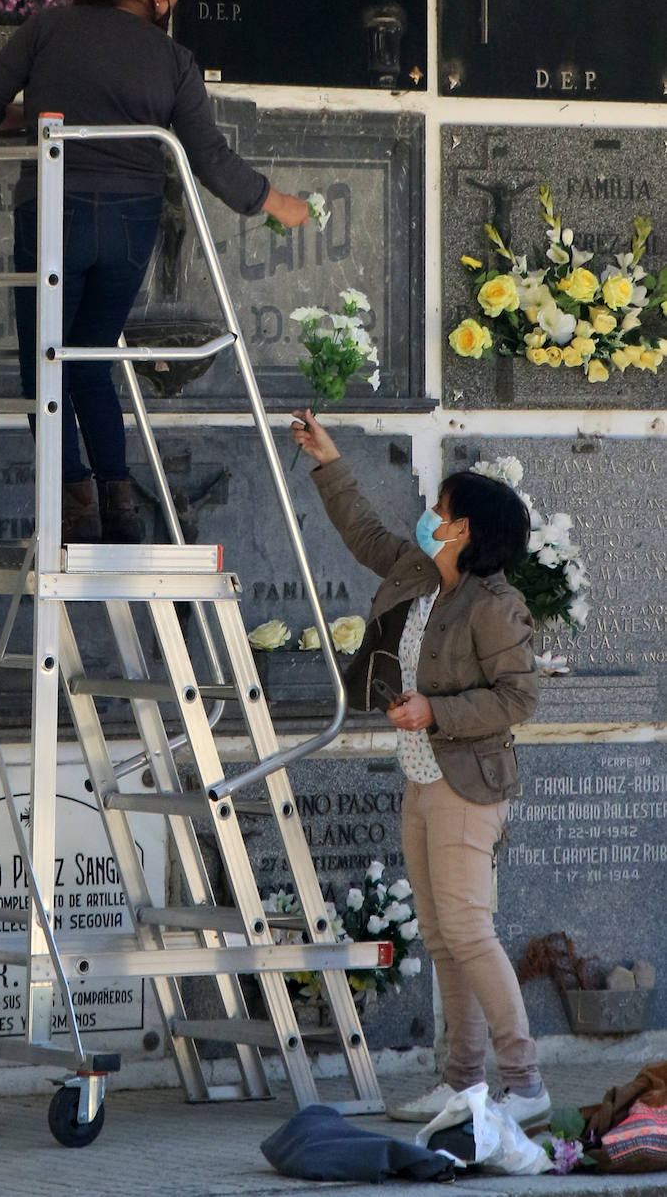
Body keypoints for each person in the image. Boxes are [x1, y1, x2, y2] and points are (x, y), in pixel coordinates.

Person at [0, 0, 309, 543]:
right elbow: (209, 158)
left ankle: (76, 509)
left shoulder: (48, 29)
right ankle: (121, 511)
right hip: (130, 225)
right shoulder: (173, 60)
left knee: (46, 365)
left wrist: (31, 119)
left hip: (53, 213)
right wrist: (276, 201)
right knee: (92, 362)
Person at [290, 409, 551, 1129]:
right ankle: (462, 1083)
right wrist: (328, 459)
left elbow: (519, 697)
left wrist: (436, 714)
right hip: (422, 775)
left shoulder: (494, 606)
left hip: (469, 783)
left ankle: (525, 1084)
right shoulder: (418, 573)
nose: (429, 517)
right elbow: (366, 533)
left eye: (440, 510)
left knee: (469, 931)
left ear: (464, 528)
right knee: (441, 935)